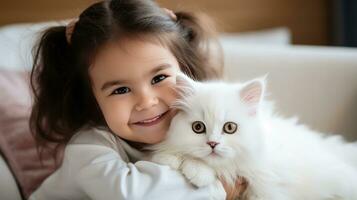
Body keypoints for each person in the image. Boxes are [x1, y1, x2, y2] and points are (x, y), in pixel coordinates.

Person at [29, 0, 245, 199]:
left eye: (159, 78)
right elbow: (130, 195)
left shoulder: (204, 130)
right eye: (121, 90)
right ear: (92, 98)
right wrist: (216, 188)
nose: (146, 101)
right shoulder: (88, 148)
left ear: (186, 70)